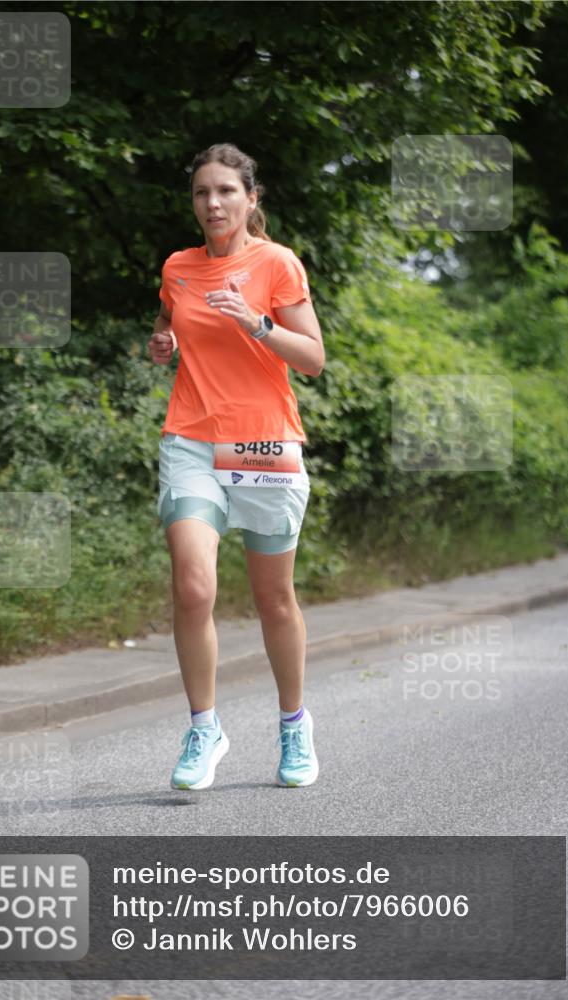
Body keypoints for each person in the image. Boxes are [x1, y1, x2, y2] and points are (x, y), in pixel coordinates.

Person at [148, 143, 325, 791]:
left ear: (252, 199)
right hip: (191, 439)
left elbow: (311, 357)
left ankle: (292, 723)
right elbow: (170, 323)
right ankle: (203, 728)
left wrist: (254, 323)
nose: (212, 203)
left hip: (263, 444)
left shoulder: (276, 263)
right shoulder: (178, 266)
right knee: (193, 586)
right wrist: (162, 342)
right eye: (201, 192)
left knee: (272, 598)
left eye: (226, 190)